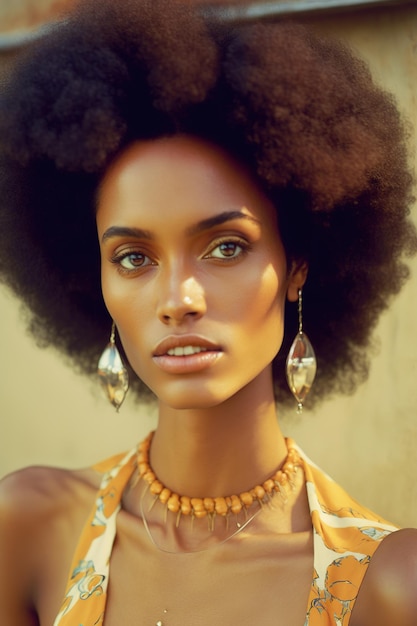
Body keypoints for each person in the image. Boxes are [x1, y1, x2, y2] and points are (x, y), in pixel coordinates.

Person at [0, 1, 416, 624]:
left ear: (297, 261)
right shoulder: (29, 525)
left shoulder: (385, 586)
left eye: (226, 247)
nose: (178, 299)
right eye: (134, 257)